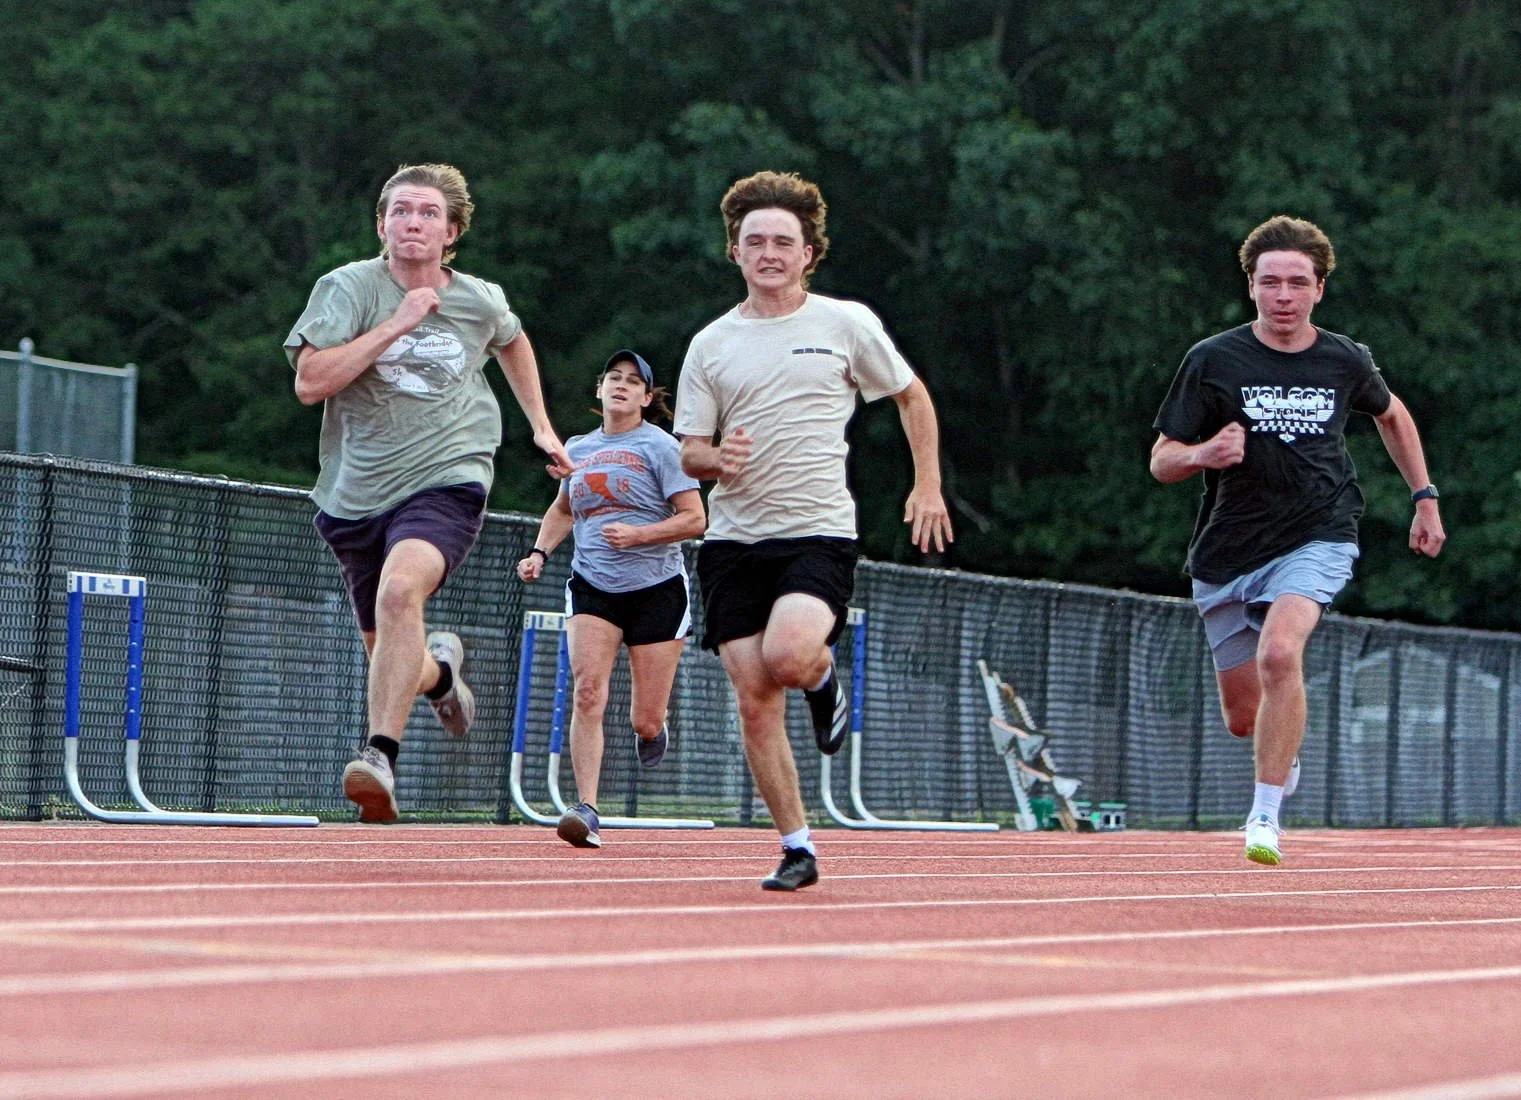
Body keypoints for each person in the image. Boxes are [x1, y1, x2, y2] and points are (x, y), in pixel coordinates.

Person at [674, 170, 954, 891]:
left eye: (782, 241)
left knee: (791, 656)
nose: (768, 252)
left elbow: (910, 394)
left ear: (808, 253)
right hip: (734, 539)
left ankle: (825, 678)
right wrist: (715, 458)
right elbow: (687, 449)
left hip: (815, 528)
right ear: (734, 251)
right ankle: (797, 845)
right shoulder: (710, 343)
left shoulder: (844, 324)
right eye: (754, 241)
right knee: (754, 696)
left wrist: (926, 484)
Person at [1150, 214, 1445, 866]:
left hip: (1318, 533)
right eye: (1269, 282)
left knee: (1281, 655)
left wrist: (1422, 498)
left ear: (1318, 289)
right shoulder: (1212, 360)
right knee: (1241, 717)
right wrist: (1204, 453)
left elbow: (1392, 416)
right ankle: (1282, 753)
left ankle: (1262, 818)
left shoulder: (1343, 359)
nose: (1282, 295)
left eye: (1296, 283)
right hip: (1226, 552)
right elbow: (1161, 460)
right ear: (1250, 288)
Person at [285, 162, 572, 823]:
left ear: (451, 231)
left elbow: (513, 338)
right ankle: (440, 673)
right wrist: (396, 323)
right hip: (356, 492)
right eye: (400, 211)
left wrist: (540, 426)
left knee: (398, 591)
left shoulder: (478, 297)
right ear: (382, 224)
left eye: (427, 213)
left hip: (449, 474)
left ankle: (379, 757)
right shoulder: (347, 288)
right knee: (394, 655)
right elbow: (309, 383)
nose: (412, 222)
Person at [517, 349, 706, 849]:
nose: (621, 386)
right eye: (613, 378)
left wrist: (641, 535)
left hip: (657, 589)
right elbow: (562, 511)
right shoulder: (577, 447)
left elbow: (695, 519)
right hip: (593, 583)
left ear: (647, 397)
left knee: (643, 717)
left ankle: (652, 729)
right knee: (587, 691)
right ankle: (587, 808)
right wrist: (539, 552)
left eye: (632, 381)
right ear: (600, 390)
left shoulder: (663, 448)